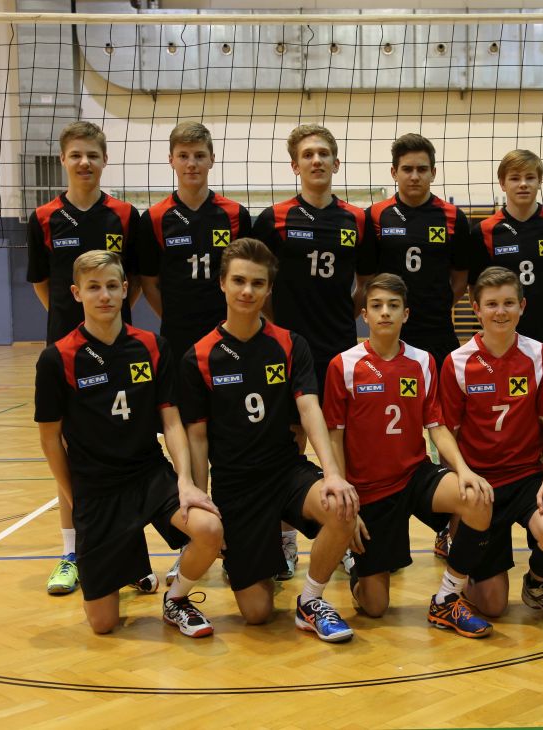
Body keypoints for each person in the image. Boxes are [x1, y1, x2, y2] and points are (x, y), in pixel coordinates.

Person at [178, 238, 360, 643]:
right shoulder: (199, 357)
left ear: (269, 288)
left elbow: (310, 410)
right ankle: (256, 556)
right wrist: (202, 498)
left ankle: (310, 601)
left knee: (342, 506)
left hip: (285, 471)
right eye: (239, 281)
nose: (247, 291)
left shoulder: (290, 344)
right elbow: (198, 439)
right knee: (257, 614)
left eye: (257, 283)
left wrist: (332, 474)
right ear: (222, 283)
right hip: (237, 486)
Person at [34, 250, 223, 636]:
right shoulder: (57, 358)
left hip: (147, 473)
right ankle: (130, 561)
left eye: (111, 286)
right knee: (103, 624)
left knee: (209, 529)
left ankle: (176, 600)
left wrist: (185, 481)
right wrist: (74, 496)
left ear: (125, 289)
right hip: (97, 486)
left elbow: (171, 420)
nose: (103, 295)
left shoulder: (152, 347)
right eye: (93, 287)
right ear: (76, 293)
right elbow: (50, 439)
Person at [323, 273, 495, 638]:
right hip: (370, 490)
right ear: (365, 315)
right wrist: (347, 500)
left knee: (476, 498)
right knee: (374, 607)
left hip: (415, 475)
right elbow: (334, 437)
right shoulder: (343, 365)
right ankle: (357, 567)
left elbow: (437, 426)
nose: (385, 312)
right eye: (376, 306)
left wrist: (463, 470)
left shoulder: (423, 361)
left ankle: (447, 597)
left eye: (393, 306)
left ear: (406, 314)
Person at [26, 120, 142, 596]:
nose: (84, 162)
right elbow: (41, 283)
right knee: (72, 452)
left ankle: (130, 553)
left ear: (104, 159)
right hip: (68, 350)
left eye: (92, 154)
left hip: (119, 349)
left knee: (126, 449)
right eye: (76, 154)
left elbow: (134, 280)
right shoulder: (44, 217)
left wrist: (107, 320)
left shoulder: (125, 215)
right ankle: (72, 552)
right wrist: (72, 327)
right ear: (63, 160)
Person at [252, 124, 371, 578]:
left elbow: (367, 283)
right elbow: (258, 282)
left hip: (339, 348)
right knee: (290, 443)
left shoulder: (357, 220)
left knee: (341, 443)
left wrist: (346, 317)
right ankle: (286, 542)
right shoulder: (274, 218)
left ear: (336, 163)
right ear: (295, 165)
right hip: (286, 350)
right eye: (308, 155)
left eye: (324, 154)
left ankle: (345, 534)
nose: (316, 160)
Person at [439, 266, 543, 626]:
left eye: (508, 303)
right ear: (476, 309)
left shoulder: (539, 356)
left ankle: (538, 585)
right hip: (481, 483)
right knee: (493, 606)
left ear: (522, 306)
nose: (500, 312)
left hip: (526, 477)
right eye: (491, 304)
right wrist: (460, 491)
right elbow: (446, 436)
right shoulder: (457, 362)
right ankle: (468, 561)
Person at [137, 121, 251, 367]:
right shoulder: (155, 218)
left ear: (212, 159)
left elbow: (246, 276)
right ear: (171, 160)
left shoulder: (235, 214)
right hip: (177, 332)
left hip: (227, 329)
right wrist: (173, 317)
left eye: (199, 156)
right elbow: (149, 283)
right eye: (183, 156)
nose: (191, 163)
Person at [362, 133, 471, 368]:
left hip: (437, 331)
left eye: (422, 169)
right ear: (394, 172)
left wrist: (437, 305)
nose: (414, 176)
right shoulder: (375, 215)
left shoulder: (453, 217)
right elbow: (367, 279)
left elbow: (461, 279)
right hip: (390, 331)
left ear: (433, 172)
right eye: (407, 169)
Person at [467, 150, 543, 346]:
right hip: (503, 335)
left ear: (539, 181)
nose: (523, 184)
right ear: (502, 183)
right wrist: (493, 324)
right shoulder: (485, 231)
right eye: (514, 178)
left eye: (530, 177)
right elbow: (474, 287)